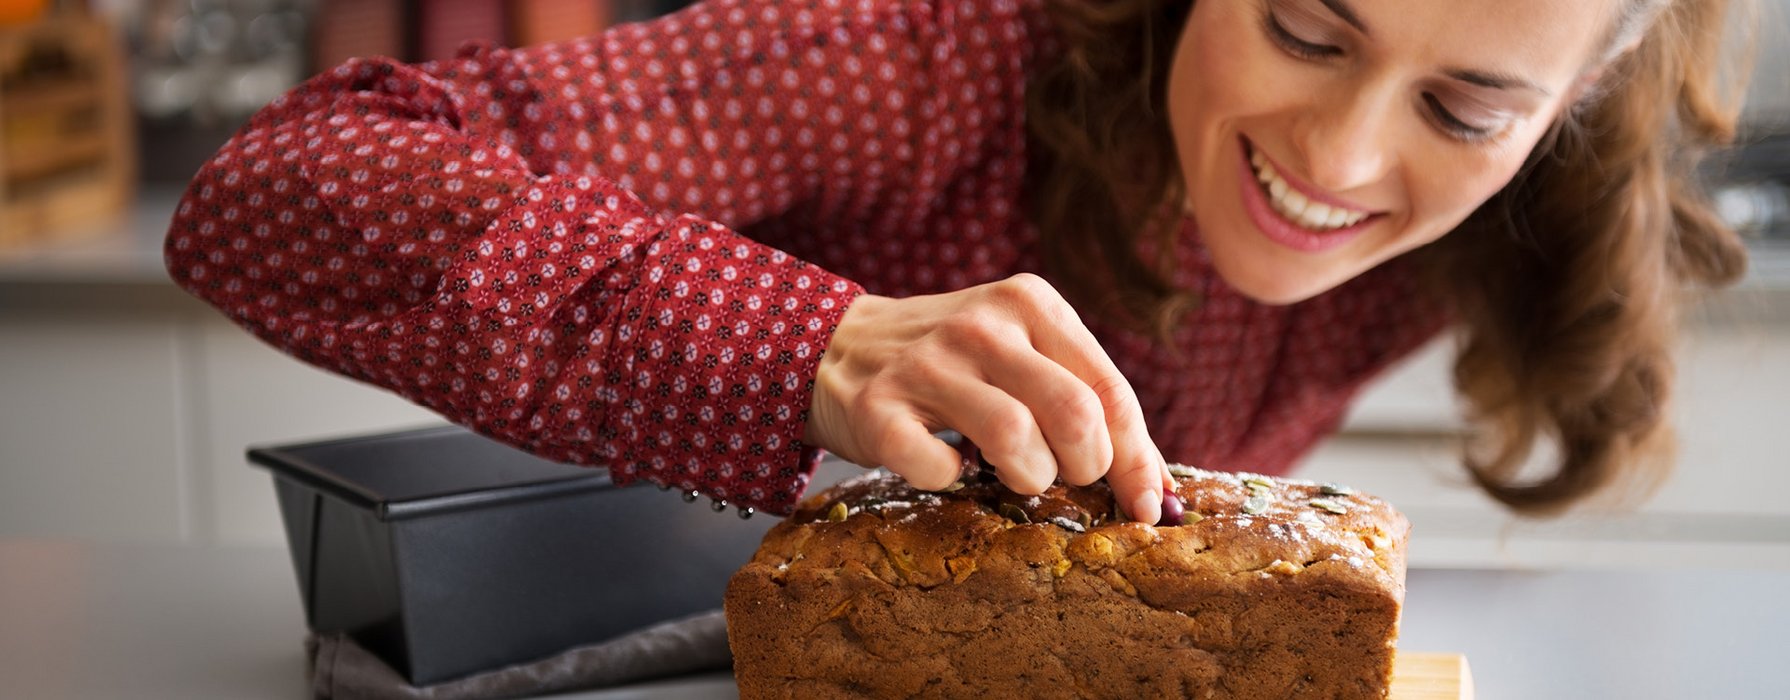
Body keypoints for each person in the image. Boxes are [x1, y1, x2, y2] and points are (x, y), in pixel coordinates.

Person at [164, 0, 1751, 525]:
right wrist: (810, 348)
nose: (1334, 163)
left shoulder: (1506, 226)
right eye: (1300, 28)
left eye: (1466, 109)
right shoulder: (927, 63)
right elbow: (274, 186)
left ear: (1568, 109)